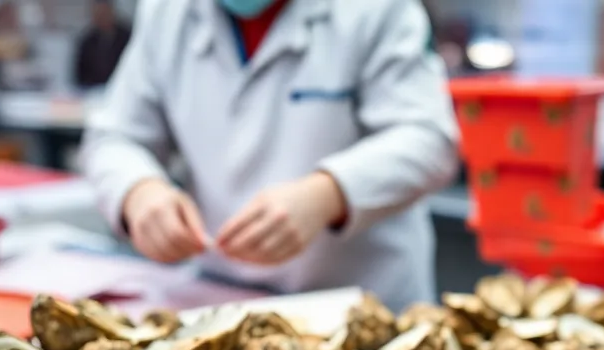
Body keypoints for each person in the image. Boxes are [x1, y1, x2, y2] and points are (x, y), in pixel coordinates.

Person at [81, 0, 459, 312]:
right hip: (219, 297)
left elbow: (430, 139)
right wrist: (139, 190)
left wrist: (329, 194)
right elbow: (112, 137)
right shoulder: (168, 13)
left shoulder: (376, 10)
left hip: (363, 303)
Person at [75, 0, 132, 89]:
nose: (101, 17)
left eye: (104, 13)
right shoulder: (87, 41)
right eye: (98, 14)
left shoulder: (127, 37)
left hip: (122, 88)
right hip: (93, 91)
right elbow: (80, 73)